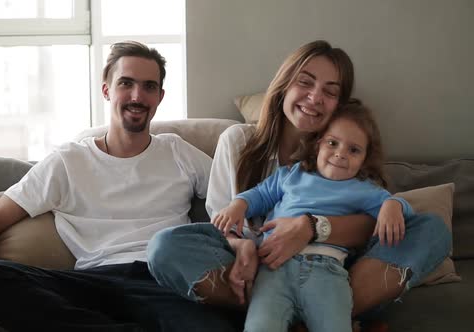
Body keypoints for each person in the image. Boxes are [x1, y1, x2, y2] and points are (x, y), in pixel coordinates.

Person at [147, 40, 451, 326]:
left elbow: (373, 227)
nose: (315, 97)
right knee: (165, 246)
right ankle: (291, 314)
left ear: (340, 106)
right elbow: (224, 222)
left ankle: (311, 313)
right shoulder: (237, 142)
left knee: (433, 231)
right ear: (284, 86)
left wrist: (311, 227)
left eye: (330, 91)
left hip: (332, 276)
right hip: (260, 274)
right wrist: (243, 249)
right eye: (305, 82)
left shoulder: (345, 154)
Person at [0, 41, 244, 332]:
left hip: (163, 281)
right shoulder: (67, 161)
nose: (137, 96)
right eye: (126, 83)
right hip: (92, 284)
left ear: (160, 96)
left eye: (149, 86)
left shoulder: (178, 151)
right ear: (107, 90)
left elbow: (235, 197)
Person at [213, 101, 415, 332]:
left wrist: (392, 204)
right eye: (332, 143)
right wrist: (238, 206)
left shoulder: (363, 188)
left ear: (365, 159)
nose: (340, 154)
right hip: (273, 269)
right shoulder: (292, 174)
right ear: (318, 144)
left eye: (354, 150)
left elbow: (405, 213)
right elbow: (259, 195)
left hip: (326, 272)